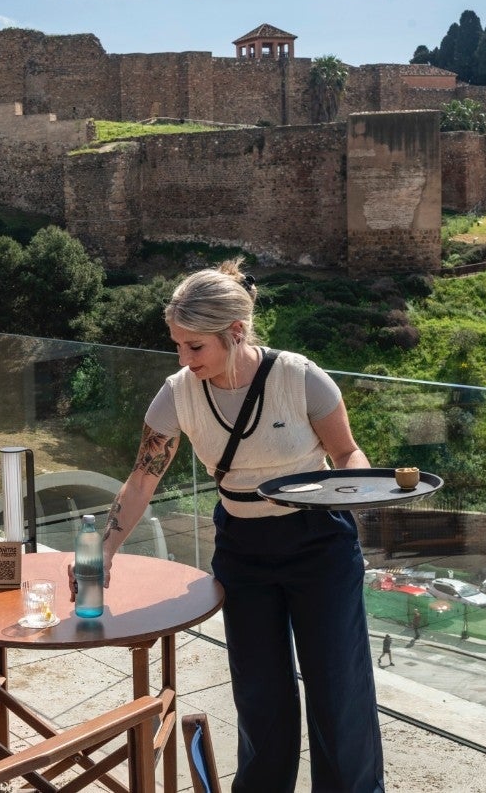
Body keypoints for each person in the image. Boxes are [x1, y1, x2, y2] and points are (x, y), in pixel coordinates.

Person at [92, 260, 384, 793]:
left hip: (319, 544)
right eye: (177, 345)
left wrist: (358, 491)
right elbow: (141, 480)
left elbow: (347, 453)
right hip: (243, 549)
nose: (183, 359)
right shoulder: (177, 393)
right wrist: (103, 552)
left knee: (338, 693)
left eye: (194, 347)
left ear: (235, 333)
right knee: (259, 696)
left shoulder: (299, 377)